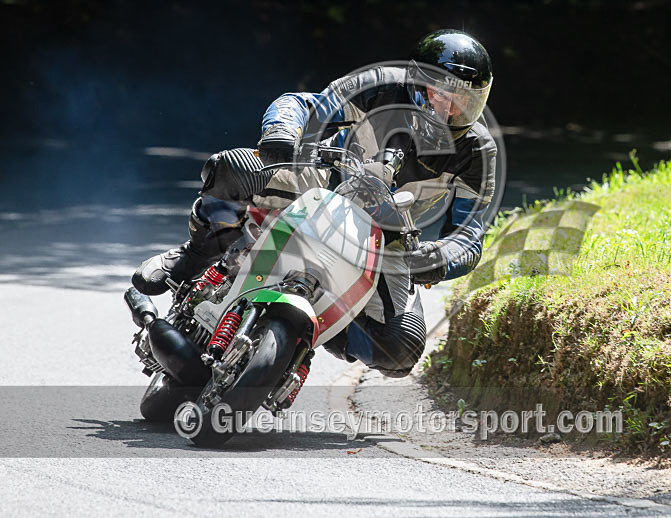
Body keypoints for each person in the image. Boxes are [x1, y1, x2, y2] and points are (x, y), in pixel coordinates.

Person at [132, 29, 497, 377]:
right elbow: (302, 104)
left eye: (464, 101)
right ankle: (194, 255)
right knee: (232, 168)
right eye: (440, 94)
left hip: (389, 237)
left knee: (400, 348)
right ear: (417, 82)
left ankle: (312, 331)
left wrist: (436, 259)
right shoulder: (380, 86)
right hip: (324, 182)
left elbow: (469, 235)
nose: (448, 110)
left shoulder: (478, 151)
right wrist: (282, 132)